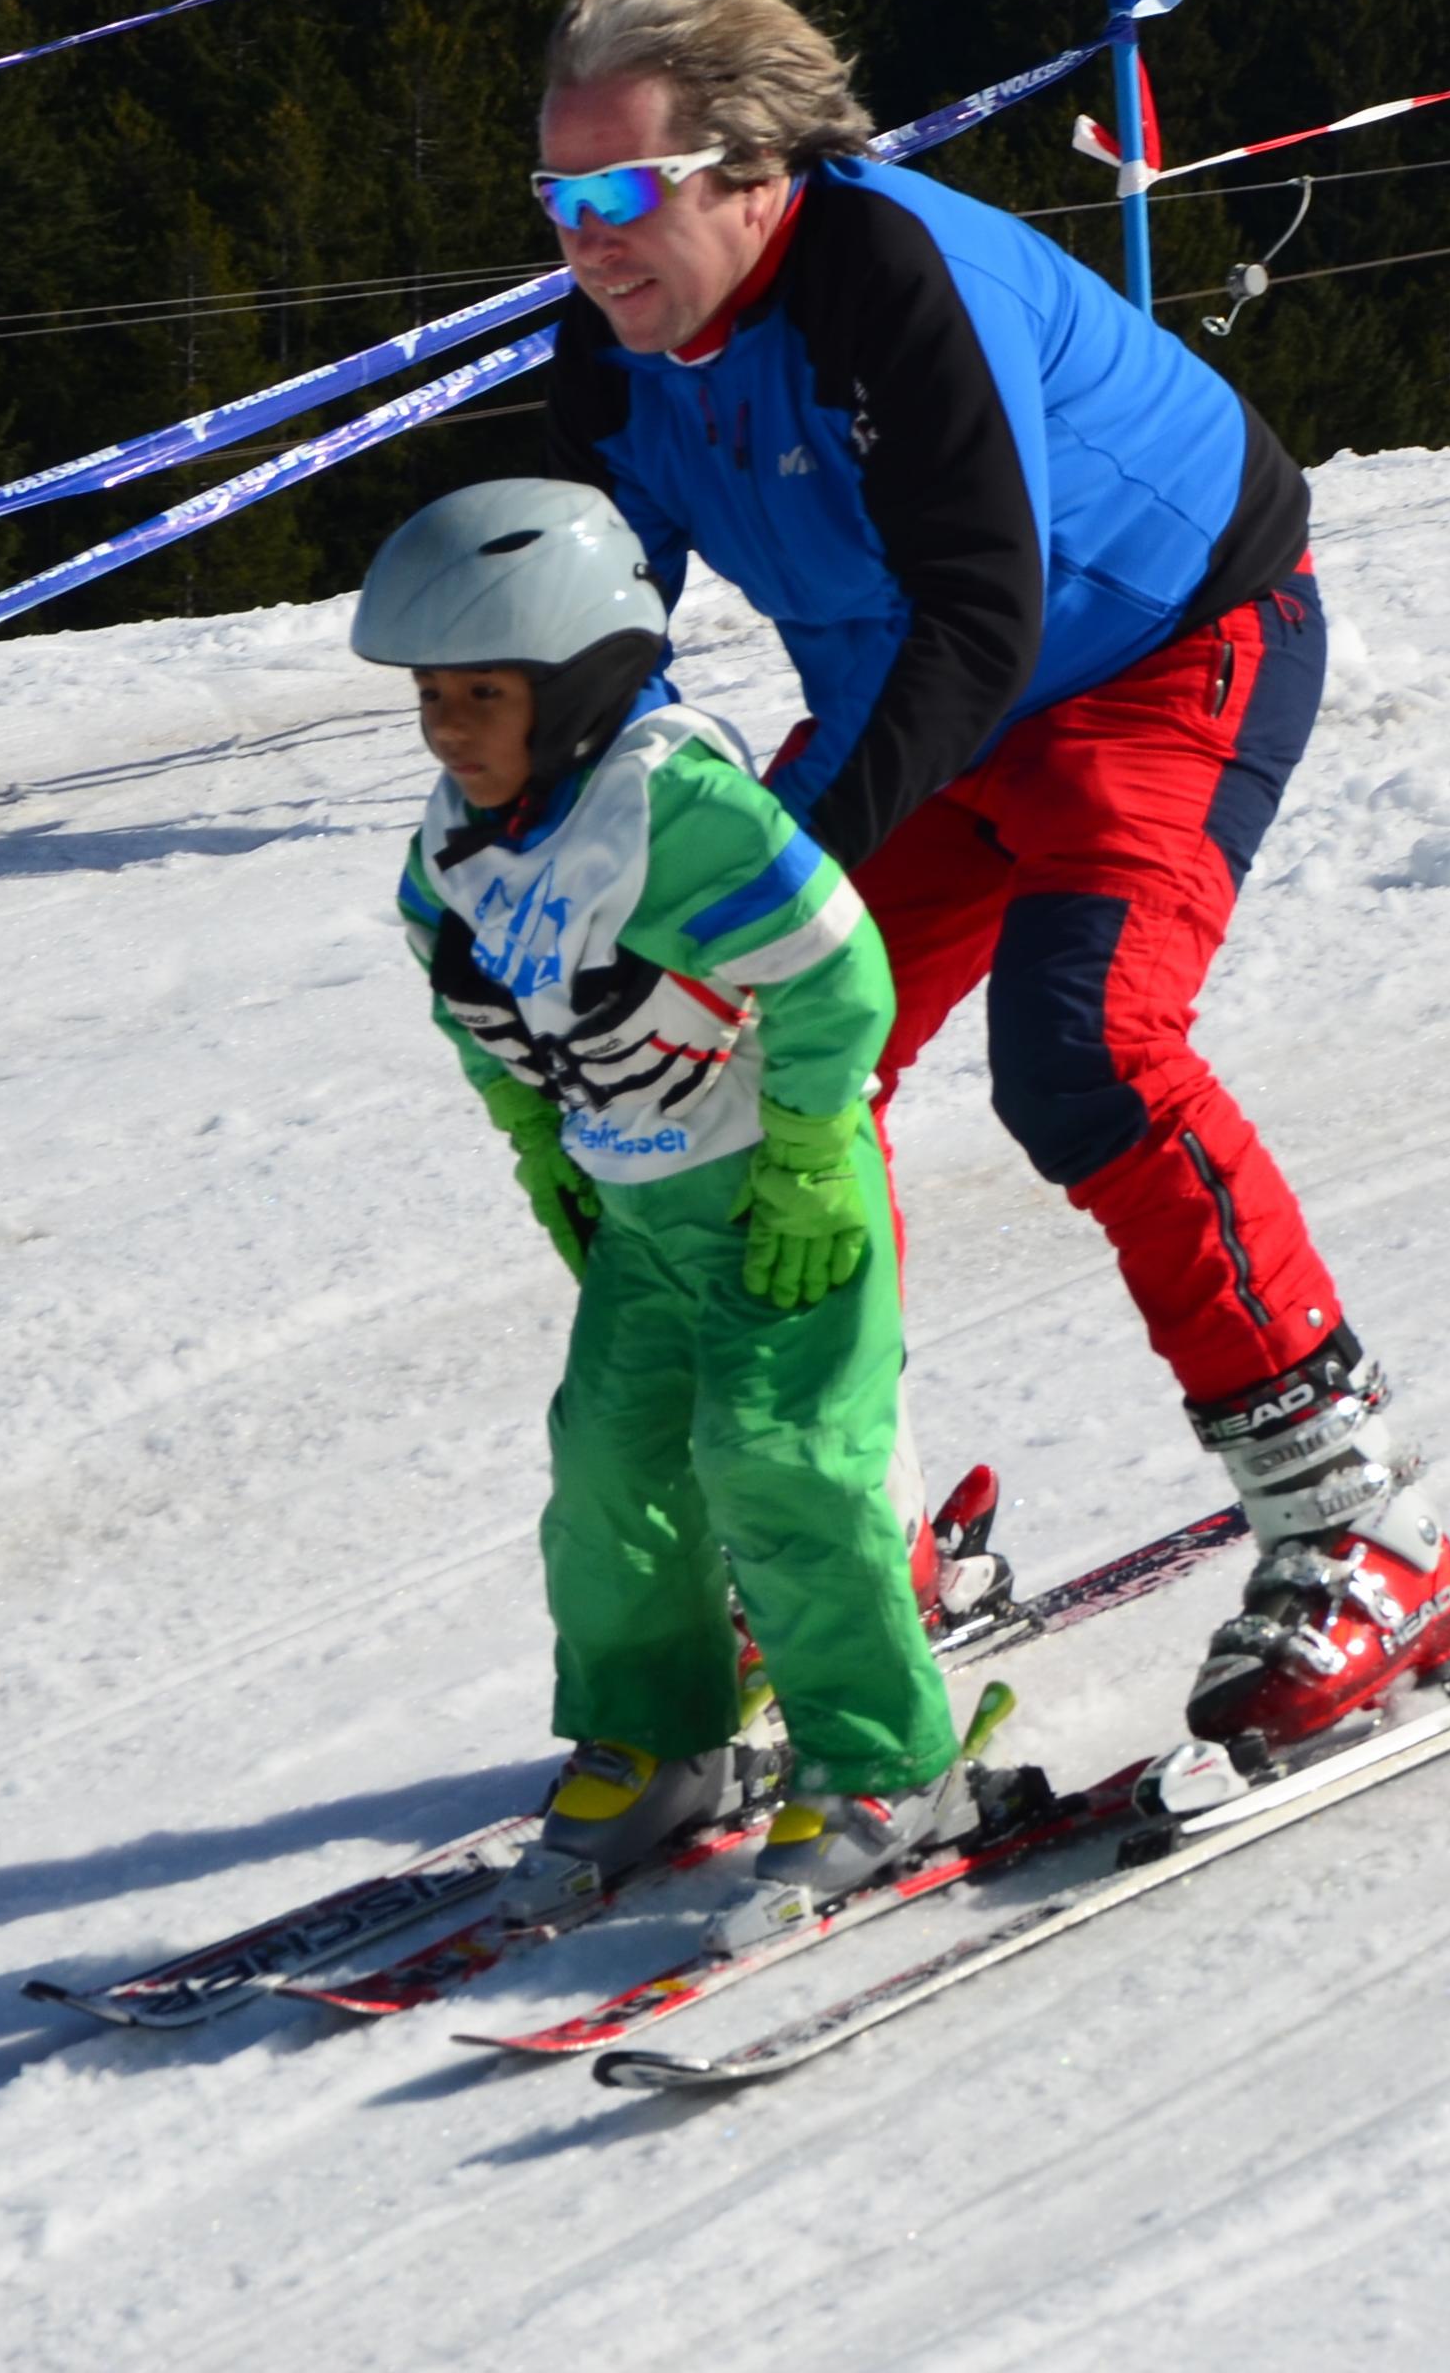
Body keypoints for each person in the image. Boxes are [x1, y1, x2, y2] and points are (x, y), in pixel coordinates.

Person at [528, 0, 1450, 1749]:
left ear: (755, 174)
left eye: (621, 193)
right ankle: (849, 1537)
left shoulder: (887, 277)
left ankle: (1364, 1528)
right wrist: (560, 862)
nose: (583, 241)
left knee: (1084, 1054)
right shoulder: (615, 355)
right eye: (555, 198)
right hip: (916, 680)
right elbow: (591, 639)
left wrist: (778, 886)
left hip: (1160, 647)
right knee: (740, 1069)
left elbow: (985, 610)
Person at [355, 475, 987, 1942]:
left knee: (778, 1460)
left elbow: (837, 970)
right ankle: (660, 1736)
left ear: (582, 683)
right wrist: (542, 1150)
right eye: (432, 694)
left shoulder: (677, 811)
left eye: (483, 692)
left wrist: (813, 1152)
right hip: (636, 1208)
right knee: (609, 1469)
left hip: (775, 1203)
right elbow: (468, 1001)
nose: (448, 728)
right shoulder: (461, 845)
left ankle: (889, 1762)